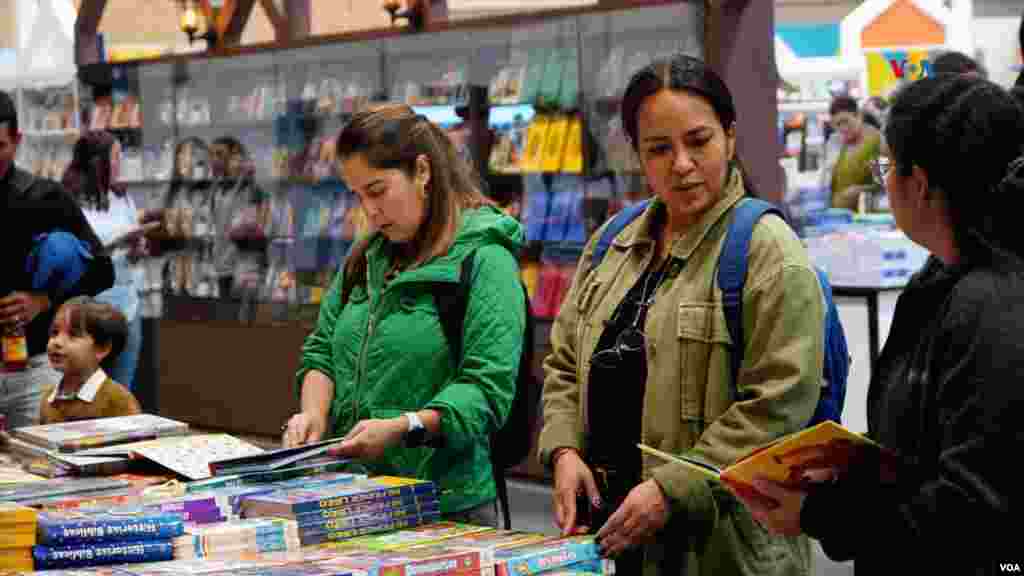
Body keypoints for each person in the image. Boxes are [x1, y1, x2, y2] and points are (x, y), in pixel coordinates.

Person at [538, 54, 825, 575]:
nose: (682, 164)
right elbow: (562, 362)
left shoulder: (766, 252)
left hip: (722, 551)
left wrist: (675, 488)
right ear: (638, 156)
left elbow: (779, 402)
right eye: (659, 149)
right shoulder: (611, 245)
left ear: (730, 137)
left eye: (699, 141)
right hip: (613, 538)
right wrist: (563, 452)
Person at [740, 75, 1024, 573]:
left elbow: (970, 507)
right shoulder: (944, 281)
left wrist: (824, 514)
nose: (884, 179)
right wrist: (852, 474)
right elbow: (926, 451)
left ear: (920, 184)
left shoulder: (992, 307)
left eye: (889, 166)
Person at [282, 103, 526, 527]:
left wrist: (405, 427)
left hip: (447, 505)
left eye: (377, 191)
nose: (370, 212)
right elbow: (322, 350)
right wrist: (314, 414)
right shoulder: (366, 255)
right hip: (355, 494)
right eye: (358, 196)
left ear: (422, 172)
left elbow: (486, 391)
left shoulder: (485, 260)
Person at [0, 90, 114, 429]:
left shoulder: (45, 198)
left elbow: (102, 271)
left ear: (17, 140)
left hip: (34, 371)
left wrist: (43, 299)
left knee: (39, 474)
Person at [62, 131, 158, 390]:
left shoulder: (121, 196)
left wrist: (136, 249)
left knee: (120, 388)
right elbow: (73, 254)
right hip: (90, 309)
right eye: (116, 157)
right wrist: (115, 243)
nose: (120, 164)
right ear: (98, 162)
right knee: (86, 389)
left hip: (127, 303)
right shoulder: (72, 201)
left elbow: (128, 252)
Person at [39, 296, 142, 424]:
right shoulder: (48, 398)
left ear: (101, 349)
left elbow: (137, 442)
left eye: (73, 335)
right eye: (54, 332)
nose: (57, 342)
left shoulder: (118, 400)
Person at [828, 96, 882, 211]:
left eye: (846, 121)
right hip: (840, 218)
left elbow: (885, 185)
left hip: (870, 218)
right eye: (837, 124)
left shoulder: (878, 142)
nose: (843, 128)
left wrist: (860, 190)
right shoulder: (840, 145)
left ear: (859, 116)